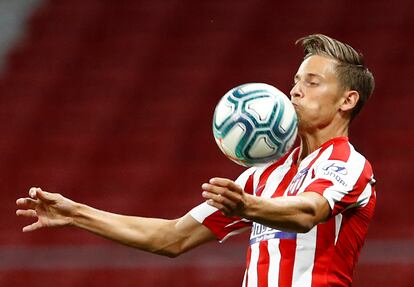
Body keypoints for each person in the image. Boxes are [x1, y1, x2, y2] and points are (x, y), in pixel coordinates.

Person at [16, 34, 376, 287]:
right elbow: (172, 237)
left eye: (312, 83)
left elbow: (307, 212)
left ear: (347, 100)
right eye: (296, 80)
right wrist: (76, 213)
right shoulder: (262, 178)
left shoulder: (349, 164)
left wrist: (248, 207)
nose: (295, 90)